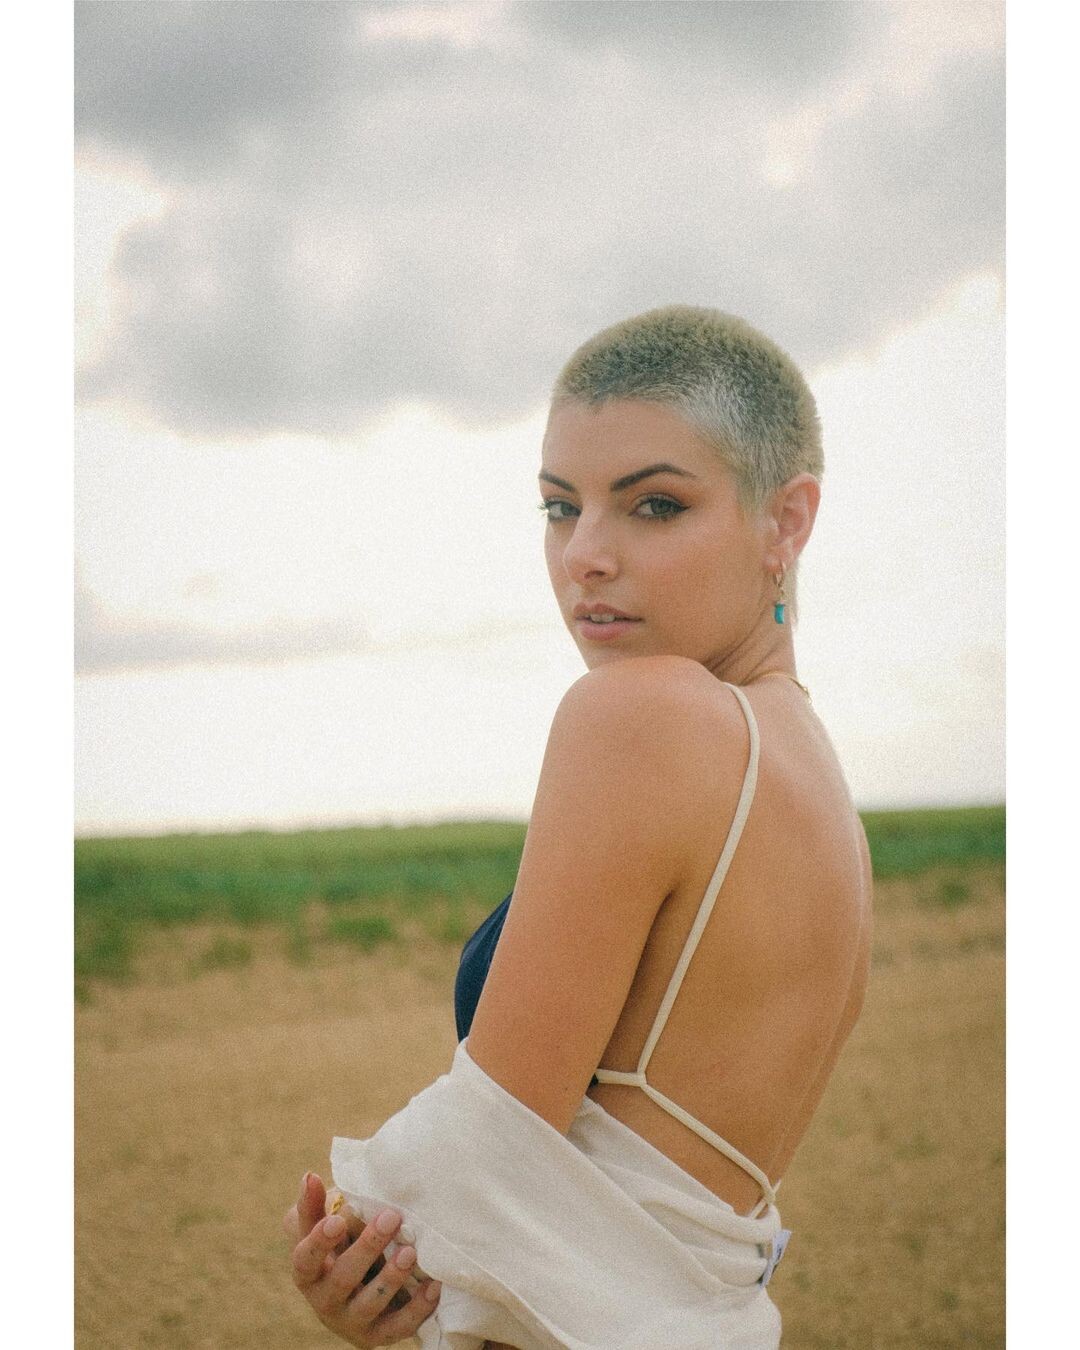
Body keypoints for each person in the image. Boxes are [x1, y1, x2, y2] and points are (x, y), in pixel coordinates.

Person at [283, 305, 872, 1348]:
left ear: (786, 521)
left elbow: (480, 1149)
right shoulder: (817, 778)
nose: (585, 556)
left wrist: (371, 1245)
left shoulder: (640, 715)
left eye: (654, 505)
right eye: (561, 507)